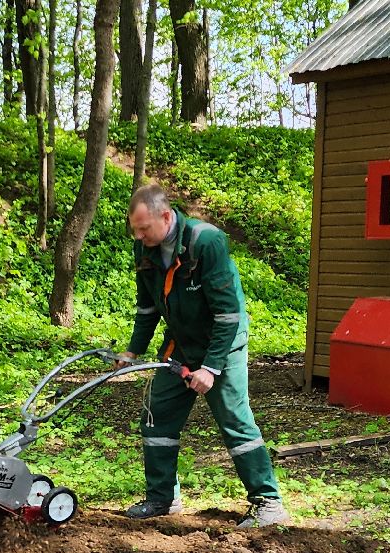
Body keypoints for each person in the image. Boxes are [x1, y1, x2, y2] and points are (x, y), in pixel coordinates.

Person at [115, 187, 286, 527]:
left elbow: (228, 314)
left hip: (222, 342)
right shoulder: (144, 247)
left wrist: (211, 367)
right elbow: (147, 306)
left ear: (165, 217)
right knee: (157, 413)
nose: (138, 235)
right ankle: (162, 498)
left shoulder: (206, 242)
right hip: (181, 342)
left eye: (144, 228)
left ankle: (268, 502)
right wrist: (132, 349)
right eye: (135, 229)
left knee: (234, 420)